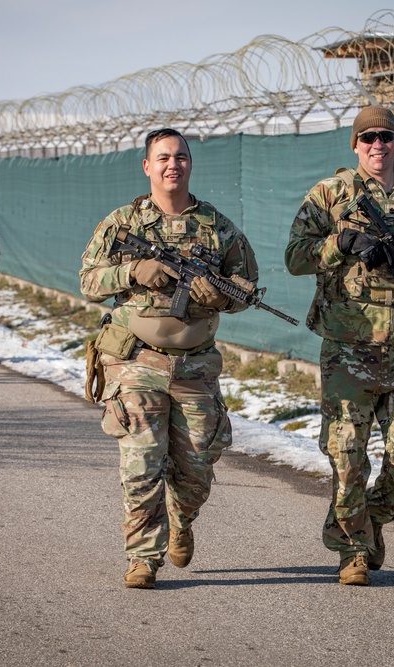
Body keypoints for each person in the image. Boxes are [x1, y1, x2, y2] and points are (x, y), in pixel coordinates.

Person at [284, 106, 394, 586]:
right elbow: (295, 257)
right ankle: (352, 552)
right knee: (348, 458)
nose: (376, 145)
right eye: (367, 137)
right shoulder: (329, 195)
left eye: (385, 136)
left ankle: (369, 521)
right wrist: (341, 243)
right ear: (355, 144)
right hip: (348, 347)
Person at [79, 128, 259, 589]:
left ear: (190, 164)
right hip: (135, 361)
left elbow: (246, 288)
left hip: (195, 364)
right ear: (147, 166)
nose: (171, 164)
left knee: (197, 467)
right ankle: (143, 557)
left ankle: (182, 520)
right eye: (162, 157)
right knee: (141, 464)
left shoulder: (217, 228)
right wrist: (132, 269)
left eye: (180, 156)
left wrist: (220, 296)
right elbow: (88, 280)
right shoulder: (123, 223)